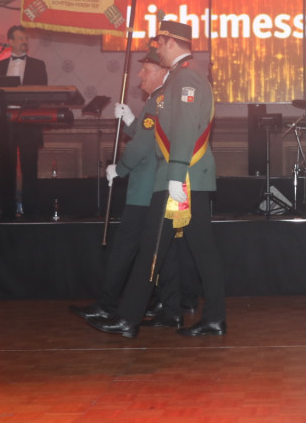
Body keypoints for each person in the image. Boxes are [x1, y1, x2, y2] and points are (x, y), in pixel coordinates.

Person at [88, 19, 226, 338]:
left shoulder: (186, 77)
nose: (157, 51)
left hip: (181, 180)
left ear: (171, 43)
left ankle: (128, 320)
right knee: (202, 252)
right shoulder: (178, 77)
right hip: (186, 177)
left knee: (151, 248)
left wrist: (175, 175)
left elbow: (186, 128)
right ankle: (215, 318)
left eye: (159, 44)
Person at [69, 40, 169, 324]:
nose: (140, 75)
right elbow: (145, 134)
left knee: (125, 249)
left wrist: (120, 169)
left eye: (145, 69)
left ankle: (108, 303)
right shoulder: (158, 100)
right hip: (151, 187)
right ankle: (161, 302)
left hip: (144, 189)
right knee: (151, 250)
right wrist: (130, 120)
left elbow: (142, 147)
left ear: (160, 72)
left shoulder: (158, 100)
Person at [0, 24, 48, 220]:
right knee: (5, 169)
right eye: (20, 38)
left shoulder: (38, 65)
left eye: (26, 38)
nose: (24, 41)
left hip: (28, 123)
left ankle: (31, 213)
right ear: (11, 42)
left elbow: (42, 94)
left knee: (29, 168)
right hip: (5, 124)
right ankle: (6, 212)